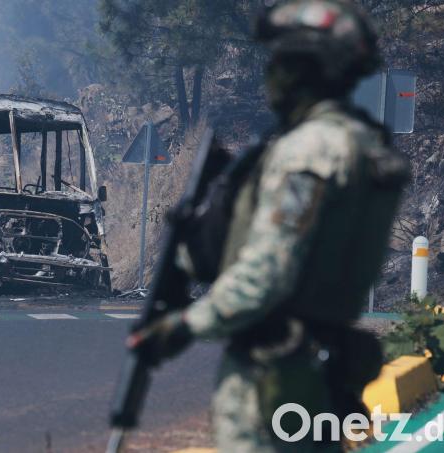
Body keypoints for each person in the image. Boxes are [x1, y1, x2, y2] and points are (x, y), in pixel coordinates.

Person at [128, 1, 410, 451]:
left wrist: (183, 326)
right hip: (325, 370)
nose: (272, 75)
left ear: (304, 68)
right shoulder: (367, 148)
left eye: (281, 61)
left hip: (274, 374)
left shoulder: (308, 153)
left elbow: (268, 272)